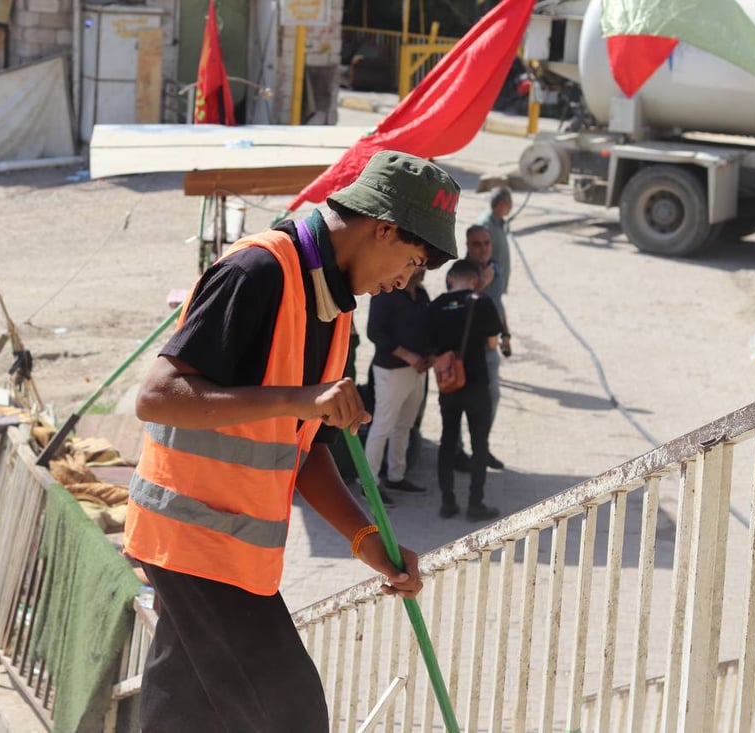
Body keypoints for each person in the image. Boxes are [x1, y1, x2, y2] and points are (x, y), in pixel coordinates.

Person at [123, 151, 460, 732]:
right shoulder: (257, 272)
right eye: (410, 262)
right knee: (290, 714)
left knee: (182, 712)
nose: (403, 282)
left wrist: (368, 540)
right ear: (381, 227)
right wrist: (298, 398)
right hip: (193, 542)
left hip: (234, 553)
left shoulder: (333, 309)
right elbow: (156, 397)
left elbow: (309, 453)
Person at [429, 258, 503, 522]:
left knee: (448, 440)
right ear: (474, 280)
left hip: (448, 384)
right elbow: (493, 339)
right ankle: (475, 503)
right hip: (477, 383)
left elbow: (429, 346)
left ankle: (447, 503)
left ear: (450, 278)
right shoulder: (480, 302)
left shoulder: (436, 304)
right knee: (479, 443)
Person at [364, 267, 431, 497]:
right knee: (382, 426)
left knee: (405, 426)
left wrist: (429, 356)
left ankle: (396, 476)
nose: (422, 269)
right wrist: (409, 356)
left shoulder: (421, 295)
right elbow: (375, 333)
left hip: (417, 372)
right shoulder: (386, 293)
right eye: (418, 264)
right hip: (391, 371)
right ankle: (368, 484)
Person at [452, 224, 511, 471]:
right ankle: (456, 451)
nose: (483, 248)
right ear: (467, 246)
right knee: (458, 404)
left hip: (490, 349)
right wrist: (481, 285)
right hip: (464, 351)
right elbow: (458, 307)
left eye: (486, 243)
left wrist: (506, 334)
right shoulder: (458, 272)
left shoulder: (495, 268)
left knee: (492, 398)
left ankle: (481, 447)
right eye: (477, 244)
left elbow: (498, 304)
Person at [475, 186, 512, 294]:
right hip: (487, 286)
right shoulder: (486, 225)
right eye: (508, 202)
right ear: (501, 203)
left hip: (496, 284)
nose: (511, 206)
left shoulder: (499, 222)